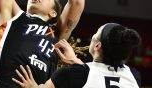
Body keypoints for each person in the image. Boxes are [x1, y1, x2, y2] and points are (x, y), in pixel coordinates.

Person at [13, 23, 142, 88]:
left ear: (97, 46)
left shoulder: (72, 73)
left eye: (96, 32)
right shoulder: (134, 75)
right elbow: (98, 79)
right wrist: (75, 61)